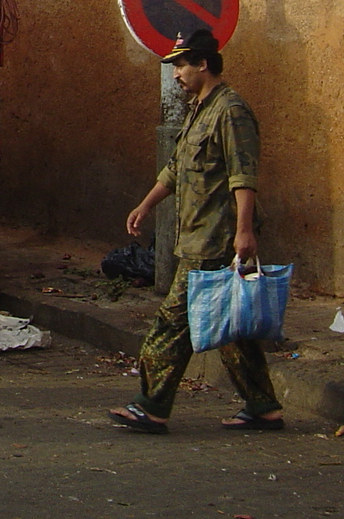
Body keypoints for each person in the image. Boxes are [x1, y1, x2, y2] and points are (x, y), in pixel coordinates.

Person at [109, 29, 285, 435]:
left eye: (181, 65)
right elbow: (176, 168)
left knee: (172, 324)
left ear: (204, 63)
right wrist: (146, 204)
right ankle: (263, 405)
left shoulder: (231, 112)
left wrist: (243, 232)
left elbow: (244, 175)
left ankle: (151, 406)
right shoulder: (199, 110)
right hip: (196, 236)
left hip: (215, 239)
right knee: (231, 327)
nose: (176, 74)